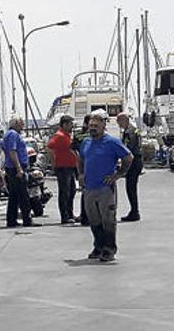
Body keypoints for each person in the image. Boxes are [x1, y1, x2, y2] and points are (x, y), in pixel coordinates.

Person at [77, 110, 134, 262]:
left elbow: (128, 157)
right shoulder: (86, 142)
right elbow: (80, 159)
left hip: (105, 188)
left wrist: (118, 175)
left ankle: (109, 249)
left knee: (108, 219)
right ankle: (98, 246)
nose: (92, 128)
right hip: (89, 188)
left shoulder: (112, 142)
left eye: (96, 125)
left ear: (103, 126)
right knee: (93, 220)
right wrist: (81, 174)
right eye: (91, 125)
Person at [1, 116, 33, 227]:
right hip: (15, 169)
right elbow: (12, 152)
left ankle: (12, 220)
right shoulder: (13, 135)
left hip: (13, 168)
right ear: (15, 124)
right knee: (23, 195)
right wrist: (19, 168)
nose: (23, 126)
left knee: (14, 196)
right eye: (21, 124)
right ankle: (27, 220)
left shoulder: (9, 134)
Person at [47, 114, 79, 224]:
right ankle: (64, 216)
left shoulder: (67, 135)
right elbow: (50, 147)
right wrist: (54, 164)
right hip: (63, 167)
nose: (72, 127)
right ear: (64, 124)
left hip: (70, 167)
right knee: (65, 192)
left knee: (72, 191)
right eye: (70, 124)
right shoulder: (59, 136)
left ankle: (70, 213)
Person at [116, 112, 143, 222]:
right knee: (131, 187)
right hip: (136, 160)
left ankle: (134, 212)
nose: (118, 124)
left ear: (124, 120)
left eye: (119, 121)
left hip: (133, 161)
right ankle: (134, 210)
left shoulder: (129, 132)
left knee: (130, 188)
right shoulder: (133, 129)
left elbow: (128, 148)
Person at [71, 115, 91, 225]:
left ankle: (85, 216)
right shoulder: (91, 135)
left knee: (85, 191)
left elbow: (72, 148)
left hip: (81, 165)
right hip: (87, 165)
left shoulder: (78, 135)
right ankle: (88, 216)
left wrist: (77, 158)